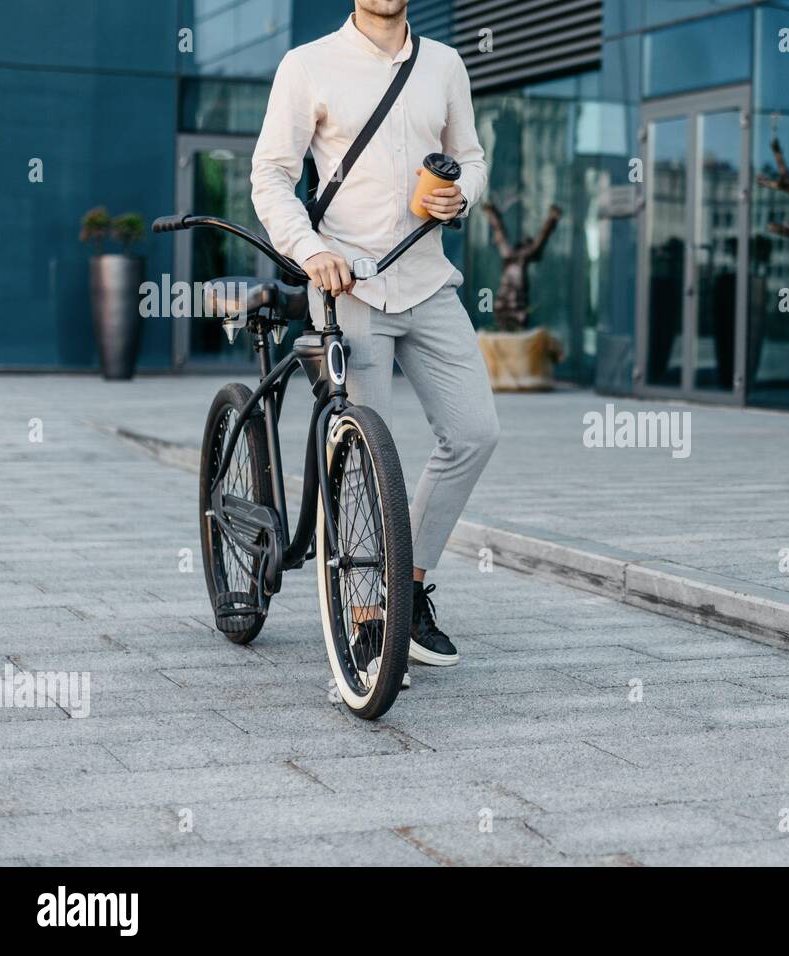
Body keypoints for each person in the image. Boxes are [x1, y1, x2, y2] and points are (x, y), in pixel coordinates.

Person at [251, 0, 495, 669]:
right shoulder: (308, 65)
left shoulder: (444, 65)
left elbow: (470, 157)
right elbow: (270, 175)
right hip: (347, 284)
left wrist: (462, 194)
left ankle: (408, 591)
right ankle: (366, 615)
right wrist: (309, 250)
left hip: (428, 279)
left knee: (475, 432)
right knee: (360, 450)